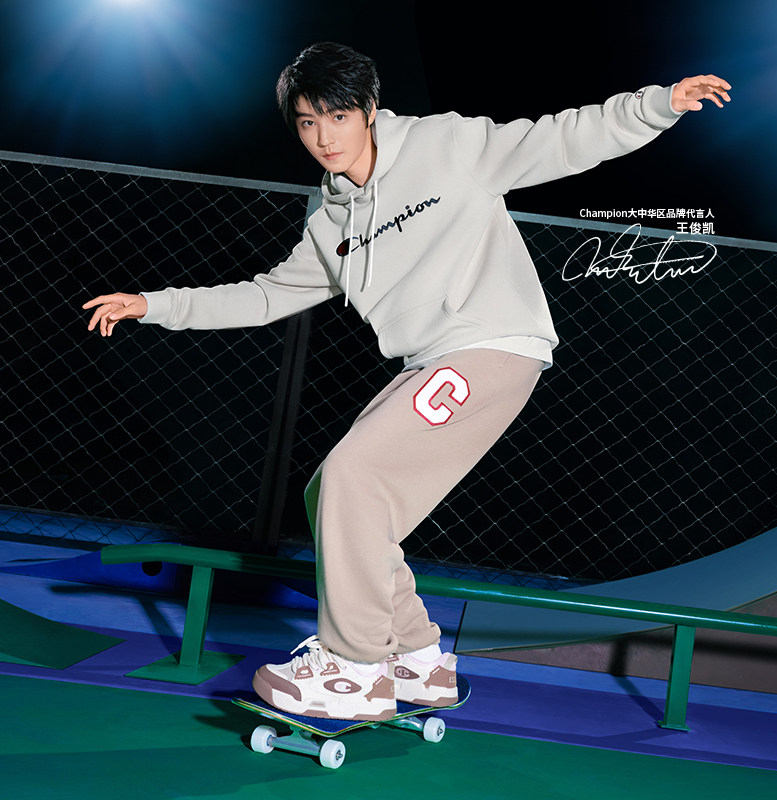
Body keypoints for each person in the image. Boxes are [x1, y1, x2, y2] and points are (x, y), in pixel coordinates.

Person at [83, 42, 731, 721]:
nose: (324, 137)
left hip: (491, 343)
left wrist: (657, 106)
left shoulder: (444, 145)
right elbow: (267, 295)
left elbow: (561, 140)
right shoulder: (330, 220)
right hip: (431, 360)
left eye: (337, 117)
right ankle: (416, 659)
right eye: (307, 123)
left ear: (369, 109)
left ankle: (354, 667)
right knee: (329, 491)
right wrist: (155, 304)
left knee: (356, 475)